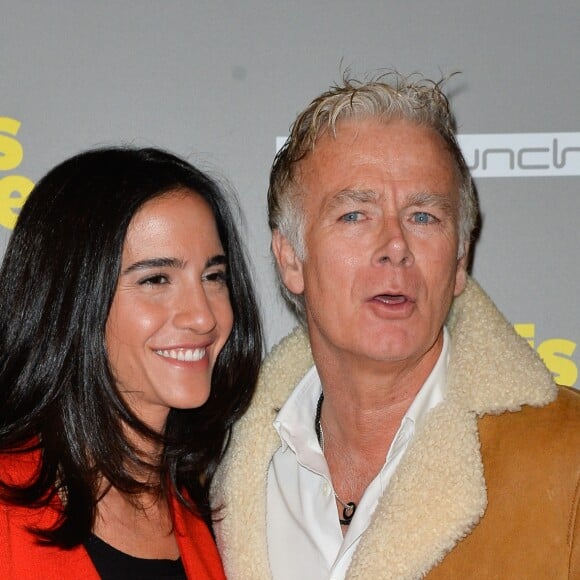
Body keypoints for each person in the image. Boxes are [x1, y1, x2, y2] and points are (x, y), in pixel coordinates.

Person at [212, 74, 580, 579]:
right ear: (290, 259)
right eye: (355, 215)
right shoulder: (218, 476)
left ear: (458, 261)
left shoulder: (568, 458)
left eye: (424, 216)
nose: (395, 245)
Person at [0, 147, 262, 579]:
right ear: (71, 299)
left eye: (213, 277)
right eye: (156, 279)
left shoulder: (224, 520)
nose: (203, 316)